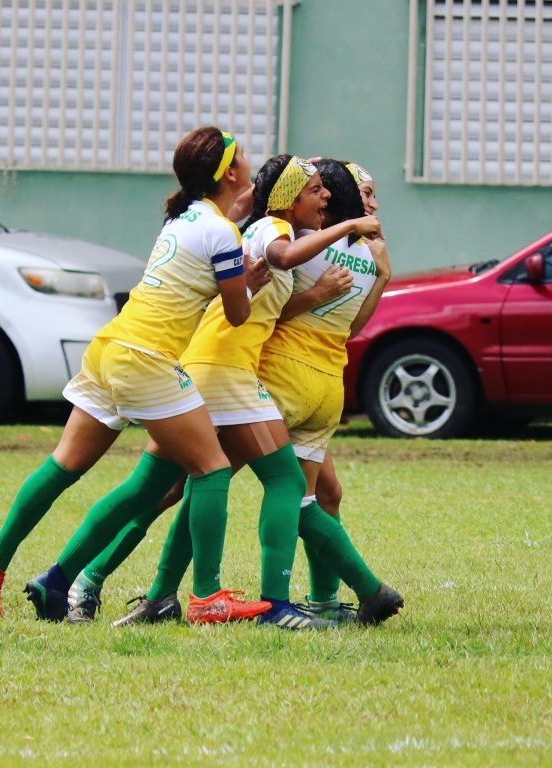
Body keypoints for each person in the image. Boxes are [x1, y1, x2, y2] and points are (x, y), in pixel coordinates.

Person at [0, 126, 271, 625]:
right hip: (146, 360)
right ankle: (208, 596)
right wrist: (248, 283)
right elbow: (237, 315)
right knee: (212, 469)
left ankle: (0, 565)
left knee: (66, 466)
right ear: (229, 172)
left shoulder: (184, 219)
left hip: (110, 350)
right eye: (242, 158)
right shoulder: (223, 232)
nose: (249, 164)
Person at [72, 155, 383, 630]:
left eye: (328, 190)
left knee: (176, 486)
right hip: (224, 369)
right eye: (359, 195)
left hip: (232, 369)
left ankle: (120, 589)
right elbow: (275, 258)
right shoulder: (280, 236)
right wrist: (336, 254)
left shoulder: (293, 234)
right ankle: (281, 603)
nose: (369, 205)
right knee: (189, 487)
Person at [258, 159, 400, 624]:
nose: (375, 203)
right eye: (367, 192)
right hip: (308, 386)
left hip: (294, 382)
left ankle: (310, 600)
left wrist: (378, 278)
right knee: (317, 495)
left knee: (207, 480)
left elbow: (345, 327)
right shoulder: (311, 243)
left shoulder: (336, 249)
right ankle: (331, 598)